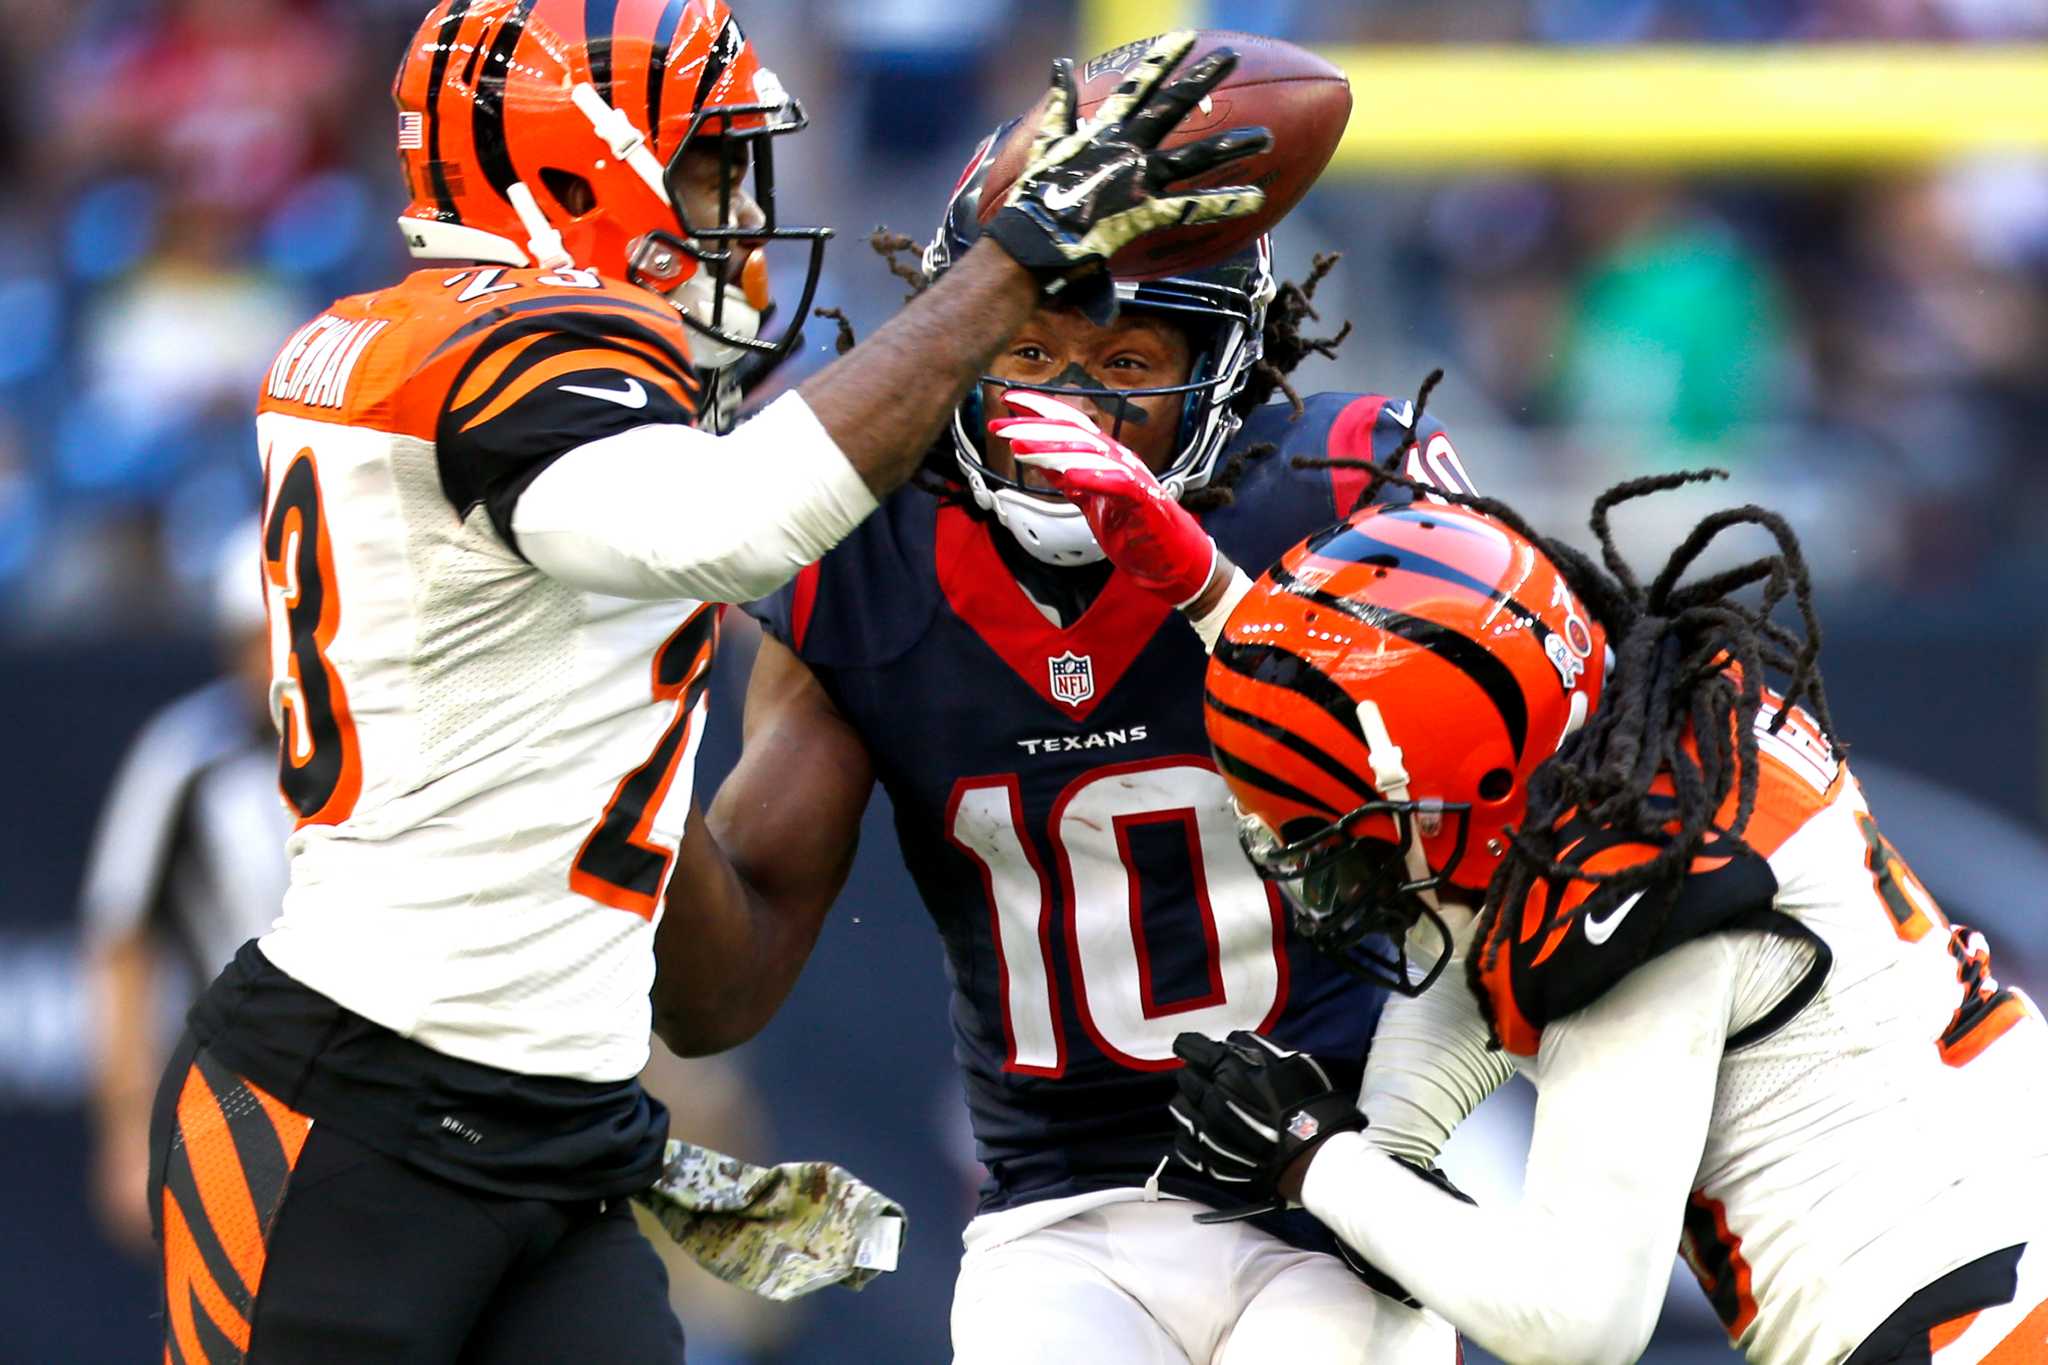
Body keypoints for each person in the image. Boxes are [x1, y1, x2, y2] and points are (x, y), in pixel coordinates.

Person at [146, 4, 1268, 1358]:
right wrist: (1012, 271)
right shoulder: (487, 350)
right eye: (708, 172)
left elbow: (690, 952)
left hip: (562, 1130)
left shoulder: (441, 349)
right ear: (572, 169)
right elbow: (730, 522)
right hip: (351, 1113)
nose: (740, 216)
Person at [723, 117, 1474, 1363]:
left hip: (1338, 1180)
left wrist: (1214, 591)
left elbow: (1485, 825)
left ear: (1222, 369)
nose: (1069, 407)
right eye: (1024, 351)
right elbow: (726, 968)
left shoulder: (1338, 494)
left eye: (1124, 361)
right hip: (1058, 1216)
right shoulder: (864, 556)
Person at [1143, 466, 2048, 1364]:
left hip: (1971, 1322)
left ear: (1457, 785)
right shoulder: (1651, 737)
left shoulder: (1639, 911)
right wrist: (1385, 1147)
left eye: (1347, 831)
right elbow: (1490, 944)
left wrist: (1315, 1155)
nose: (1340, 861)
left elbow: (1575, 1321)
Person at [84, 527, 287, 1256]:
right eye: (251, 638)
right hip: (234, 1080)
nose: (268, 660)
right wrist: (126, 1125)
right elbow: (121, 938)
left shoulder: (370, 749)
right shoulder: (187, 756)